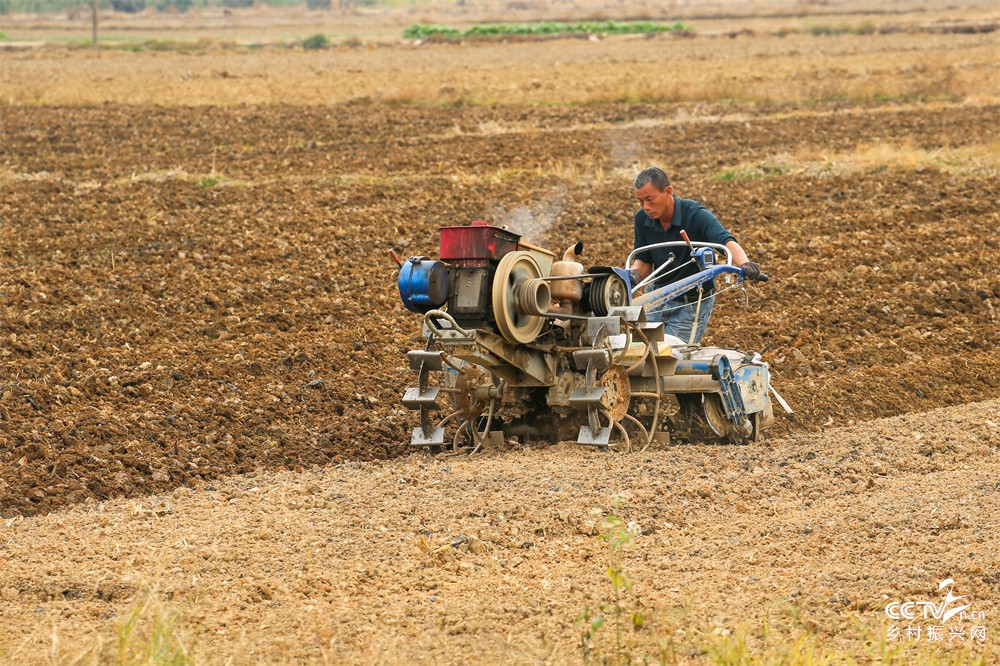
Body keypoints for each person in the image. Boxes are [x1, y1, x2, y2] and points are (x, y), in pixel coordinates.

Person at [629, 166, 761, 344]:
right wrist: (630, 277)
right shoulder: (642, 218)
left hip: (691, 303)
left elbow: (725, 241)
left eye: (650, 200)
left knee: (673, 355)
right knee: (639, 349)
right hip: (657, 297)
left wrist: (745, 263)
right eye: (640, 201)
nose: (646, 207)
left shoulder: (695, 215)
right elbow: (643, 262)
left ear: (668, 191)